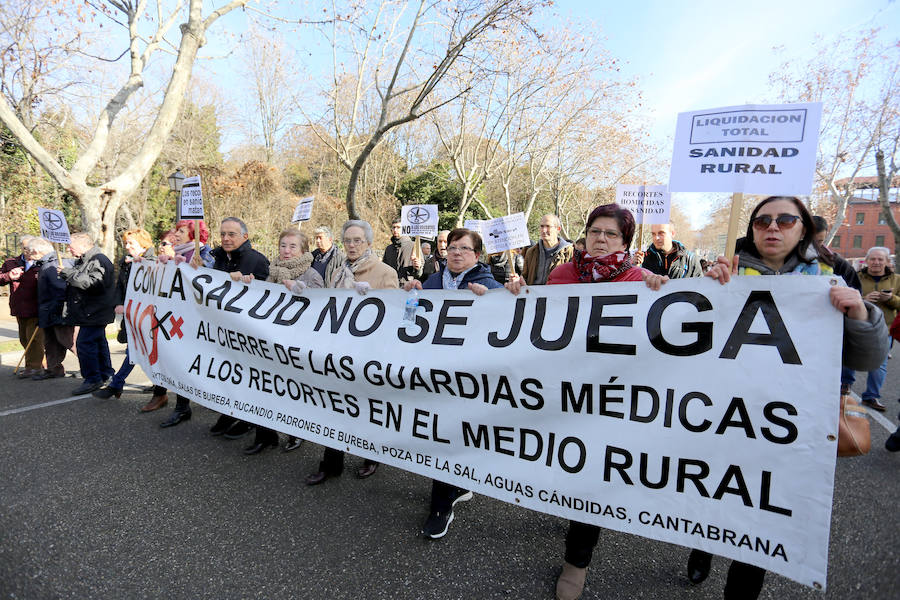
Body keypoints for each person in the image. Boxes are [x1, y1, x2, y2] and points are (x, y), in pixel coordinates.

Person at [698, 196, 888, 600]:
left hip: (790, 422)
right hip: (726, 413)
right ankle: (703, 545)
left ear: (803, 227)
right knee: (713, 489)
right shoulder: (728, 269)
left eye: (786, 220)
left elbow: (869, 358)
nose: (773, 227)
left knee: (763, 513)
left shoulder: (833, 273)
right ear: (750, 228)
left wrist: (859, 315)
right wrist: (707, 293)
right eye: (762, 220)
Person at [504, 203, 666, 600]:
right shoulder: (562, 274)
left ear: (625, 241)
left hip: (612, 394)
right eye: (595, 230)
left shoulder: (640, 279)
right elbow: (539, 320)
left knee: (594, 472)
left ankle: (576, 563)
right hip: (563, 389)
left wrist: (664, 292)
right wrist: (515, 295)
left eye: (611, 234)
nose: (600, 239)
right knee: (567, 459)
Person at [403, 228, 504, 539]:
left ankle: (440, 506)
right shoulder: (432, 282)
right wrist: (410, 295)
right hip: (434, 373)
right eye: (452, 247)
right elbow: (409, 323)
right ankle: (457, 486)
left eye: (464, 248)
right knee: (439, 433)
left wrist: (492, 304)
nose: (456, 253)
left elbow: (504, 328)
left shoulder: (489, 286)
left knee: (448, 435)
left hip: (467, 377)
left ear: (477, 255)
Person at [302, 219, 398, 485]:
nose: (352, 245)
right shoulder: (338, 272)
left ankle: (371, 456)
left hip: (368, 354)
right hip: (340, 350)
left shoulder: (385, 272)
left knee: (364, 409)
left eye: (358, 240)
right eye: (348, 240)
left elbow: (392, 317)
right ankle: (331, 464)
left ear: (368, 242)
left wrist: (371, 302)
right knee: (335, 408)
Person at [160, 217, 269, 428]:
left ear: (245, 236)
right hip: (216, 328)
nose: (226, 238)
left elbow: (266, 297)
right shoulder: (216, 257)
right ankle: (223, 412)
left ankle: (248, 420)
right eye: (223, 234)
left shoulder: (257, 260)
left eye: (232, 234)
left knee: (242, 375)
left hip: (243, 331)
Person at [242, 228, 325, 455]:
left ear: (303, 250)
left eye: (292, 246)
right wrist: (250, 284)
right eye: (283, 246)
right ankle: (265, 435)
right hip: (269, 341)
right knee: (264, 387)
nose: (286, 251)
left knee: (292, 391)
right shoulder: (272, 271)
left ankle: (295, 433)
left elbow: (321, 311)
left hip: (296, 344)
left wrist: (302, 292)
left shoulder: (312, 275)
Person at [93, 229, 156, 401]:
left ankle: (116, 384)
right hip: (131, 314)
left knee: (134, 351)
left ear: (143, 245)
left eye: (131, 243)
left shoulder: (154, 263)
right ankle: (158, 384)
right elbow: (121, 286)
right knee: (138, 351)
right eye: (126, 243)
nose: (127, 247)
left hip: (147, 316)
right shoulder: (127, 263)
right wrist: (119, 303)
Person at [841, 246, 899, 412]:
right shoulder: (854, 277)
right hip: (855, 327)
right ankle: (845, 385)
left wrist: (891, 299)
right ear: (866, 261)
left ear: (887, 262)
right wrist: (863, 299)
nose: (876, 262)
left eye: (880, 259)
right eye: (872, 259)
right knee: (848, 357)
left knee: (879, 364)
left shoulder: (897, 280)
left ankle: (871, 396)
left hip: (884, 330)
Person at [59, 232, 117, 396]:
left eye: (71, 245)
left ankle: (92, 379)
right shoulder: (85, 260)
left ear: (84, 244)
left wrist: (69, 273)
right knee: (98, 343)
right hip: (90, 311)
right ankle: (105, 374)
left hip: (94, 312)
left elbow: (92, 283)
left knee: (84, 344)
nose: (69, 249)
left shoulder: (99, 260)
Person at [0, 236, 44, 378]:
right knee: (24, 339)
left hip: (37, 308)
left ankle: (34, 367)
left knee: (34, 338)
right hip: (19, 307)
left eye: (31, 248)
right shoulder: (11, 262)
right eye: (25, 248)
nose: (28, 251)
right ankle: (38, 364)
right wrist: (8, 276)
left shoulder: (43, 263)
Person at [31, 238, 74, 380]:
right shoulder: (46, 264)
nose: (29, 256)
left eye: (31, 252)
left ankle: (95, 372)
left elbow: (61, 289)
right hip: (49, 311)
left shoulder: (54, 264)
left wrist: (58, 311)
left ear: (37, 251)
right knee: (51, 343)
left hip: (58, 311)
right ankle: (53, 369)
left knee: (70, 342)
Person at [520, 214, 573, 285]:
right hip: (533, 295)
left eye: (548, 226)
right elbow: (525, 277)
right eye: (542, 226)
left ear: (558, 229)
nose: (544, 230)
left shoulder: (570, 252)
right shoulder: (531, 252)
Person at [636, 223, 703, 278]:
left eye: (661, 233)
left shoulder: (690, 259)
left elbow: (699, 287)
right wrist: (634, 267)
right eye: (653, 234)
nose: (656, 238)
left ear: (672, 233)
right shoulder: (644, 259)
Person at [382, 219, 421, 283]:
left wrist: (417, 268)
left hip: (408, 287)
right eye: (394, 227)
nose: (395, 230)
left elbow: (420, 274)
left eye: (398, 227)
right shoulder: (389, 249)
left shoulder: (414, 246)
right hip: (391, 286)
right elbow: (384, 269)